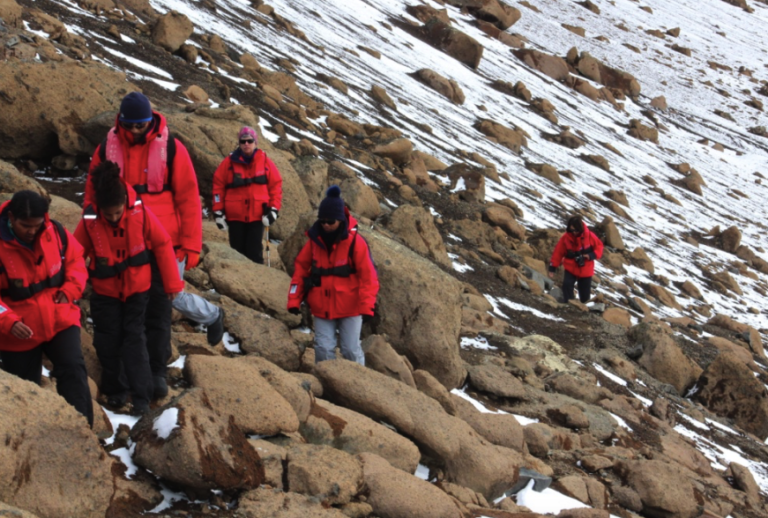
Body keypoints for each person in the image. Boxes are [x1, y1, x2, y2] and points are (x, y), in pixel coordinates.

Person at [86, 91, 224, 400]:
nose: (135, 131)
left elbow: (189, 199)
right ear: (120, 122)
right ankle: (127, 375)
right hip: (122, 242)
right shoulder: (105, 149)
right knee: (125, 310)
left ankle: (157, 372)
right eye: (130, 125)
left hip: (165, 241)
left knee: (159, 308)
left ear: (150, 121)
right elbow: (92, 199)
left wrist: (190, 245)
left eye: (141, 125)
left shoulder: (172, 149)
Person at [75, 162, 184, 413]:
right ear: (100, 209)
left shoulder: (141, 213)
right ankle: (116, 390)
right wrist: (70, 289)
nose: (113, 218)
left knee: (135, 339)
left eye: (117, 212)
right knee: (107, 340)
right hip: (105, 293)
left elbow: (163, 244)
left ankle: (142, 396)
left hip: (137, 290)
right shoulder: (90, 221)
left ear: (125, 201)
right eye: (108, 214)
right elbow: (75, 256)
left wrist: (171, 284)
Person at [0, 190, 93, 427]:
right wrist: (8, 320)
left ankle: (84, 435)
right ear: (11, 218)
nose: (32, 231)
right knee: (24, 391)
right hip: (16, 331)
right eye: (25, 226)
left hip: (59, 316)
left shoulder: (57, 232)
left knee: (73, 370)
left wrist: (71, 290)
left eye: (38, 225)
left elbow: (75, 262)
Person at [287, 185, 379, 365]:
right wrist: (294, 300)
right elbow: (300, 270)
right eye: (323, 221)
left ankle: (358, 385)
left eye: (331, 221)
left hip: (350, 307)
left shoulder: (356, 244)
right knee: (323, 348)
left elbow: (369, 278)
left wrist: (367, 307)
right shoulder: (313, 243)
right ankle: (326, 384)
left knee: (350, 350)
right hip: (322, 306)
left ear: (340, 220)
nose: (326, 225)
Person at [211, 126, 283, 264]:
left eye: (249, 141)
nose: (246, 144)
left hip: (257, 216)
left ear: (256, 142)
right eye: (243, 141)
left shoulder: (265, 161)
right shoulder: (228, 163)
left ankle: (257, 282)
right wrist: (218, 211)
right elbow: (217, 186)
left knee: (254, 252)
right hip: (235, 217)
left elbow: (276, 186)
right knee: (236, 252)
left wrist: (274, 209)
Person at [548, 215, 604, 304]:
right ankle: (569, 305)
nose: (574, 232)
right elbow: (558, 252)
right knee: (566, 285)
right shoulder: (566, 238)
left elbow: (599, 247)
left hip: (586, 268)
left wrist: (590, 255)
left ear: (580, 228)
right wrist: (552, 267)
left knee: (585, 295)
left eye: (576, 230)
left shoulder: (590, 236)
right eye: (571, 230)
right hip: (571, 267)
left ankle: (583, 309)